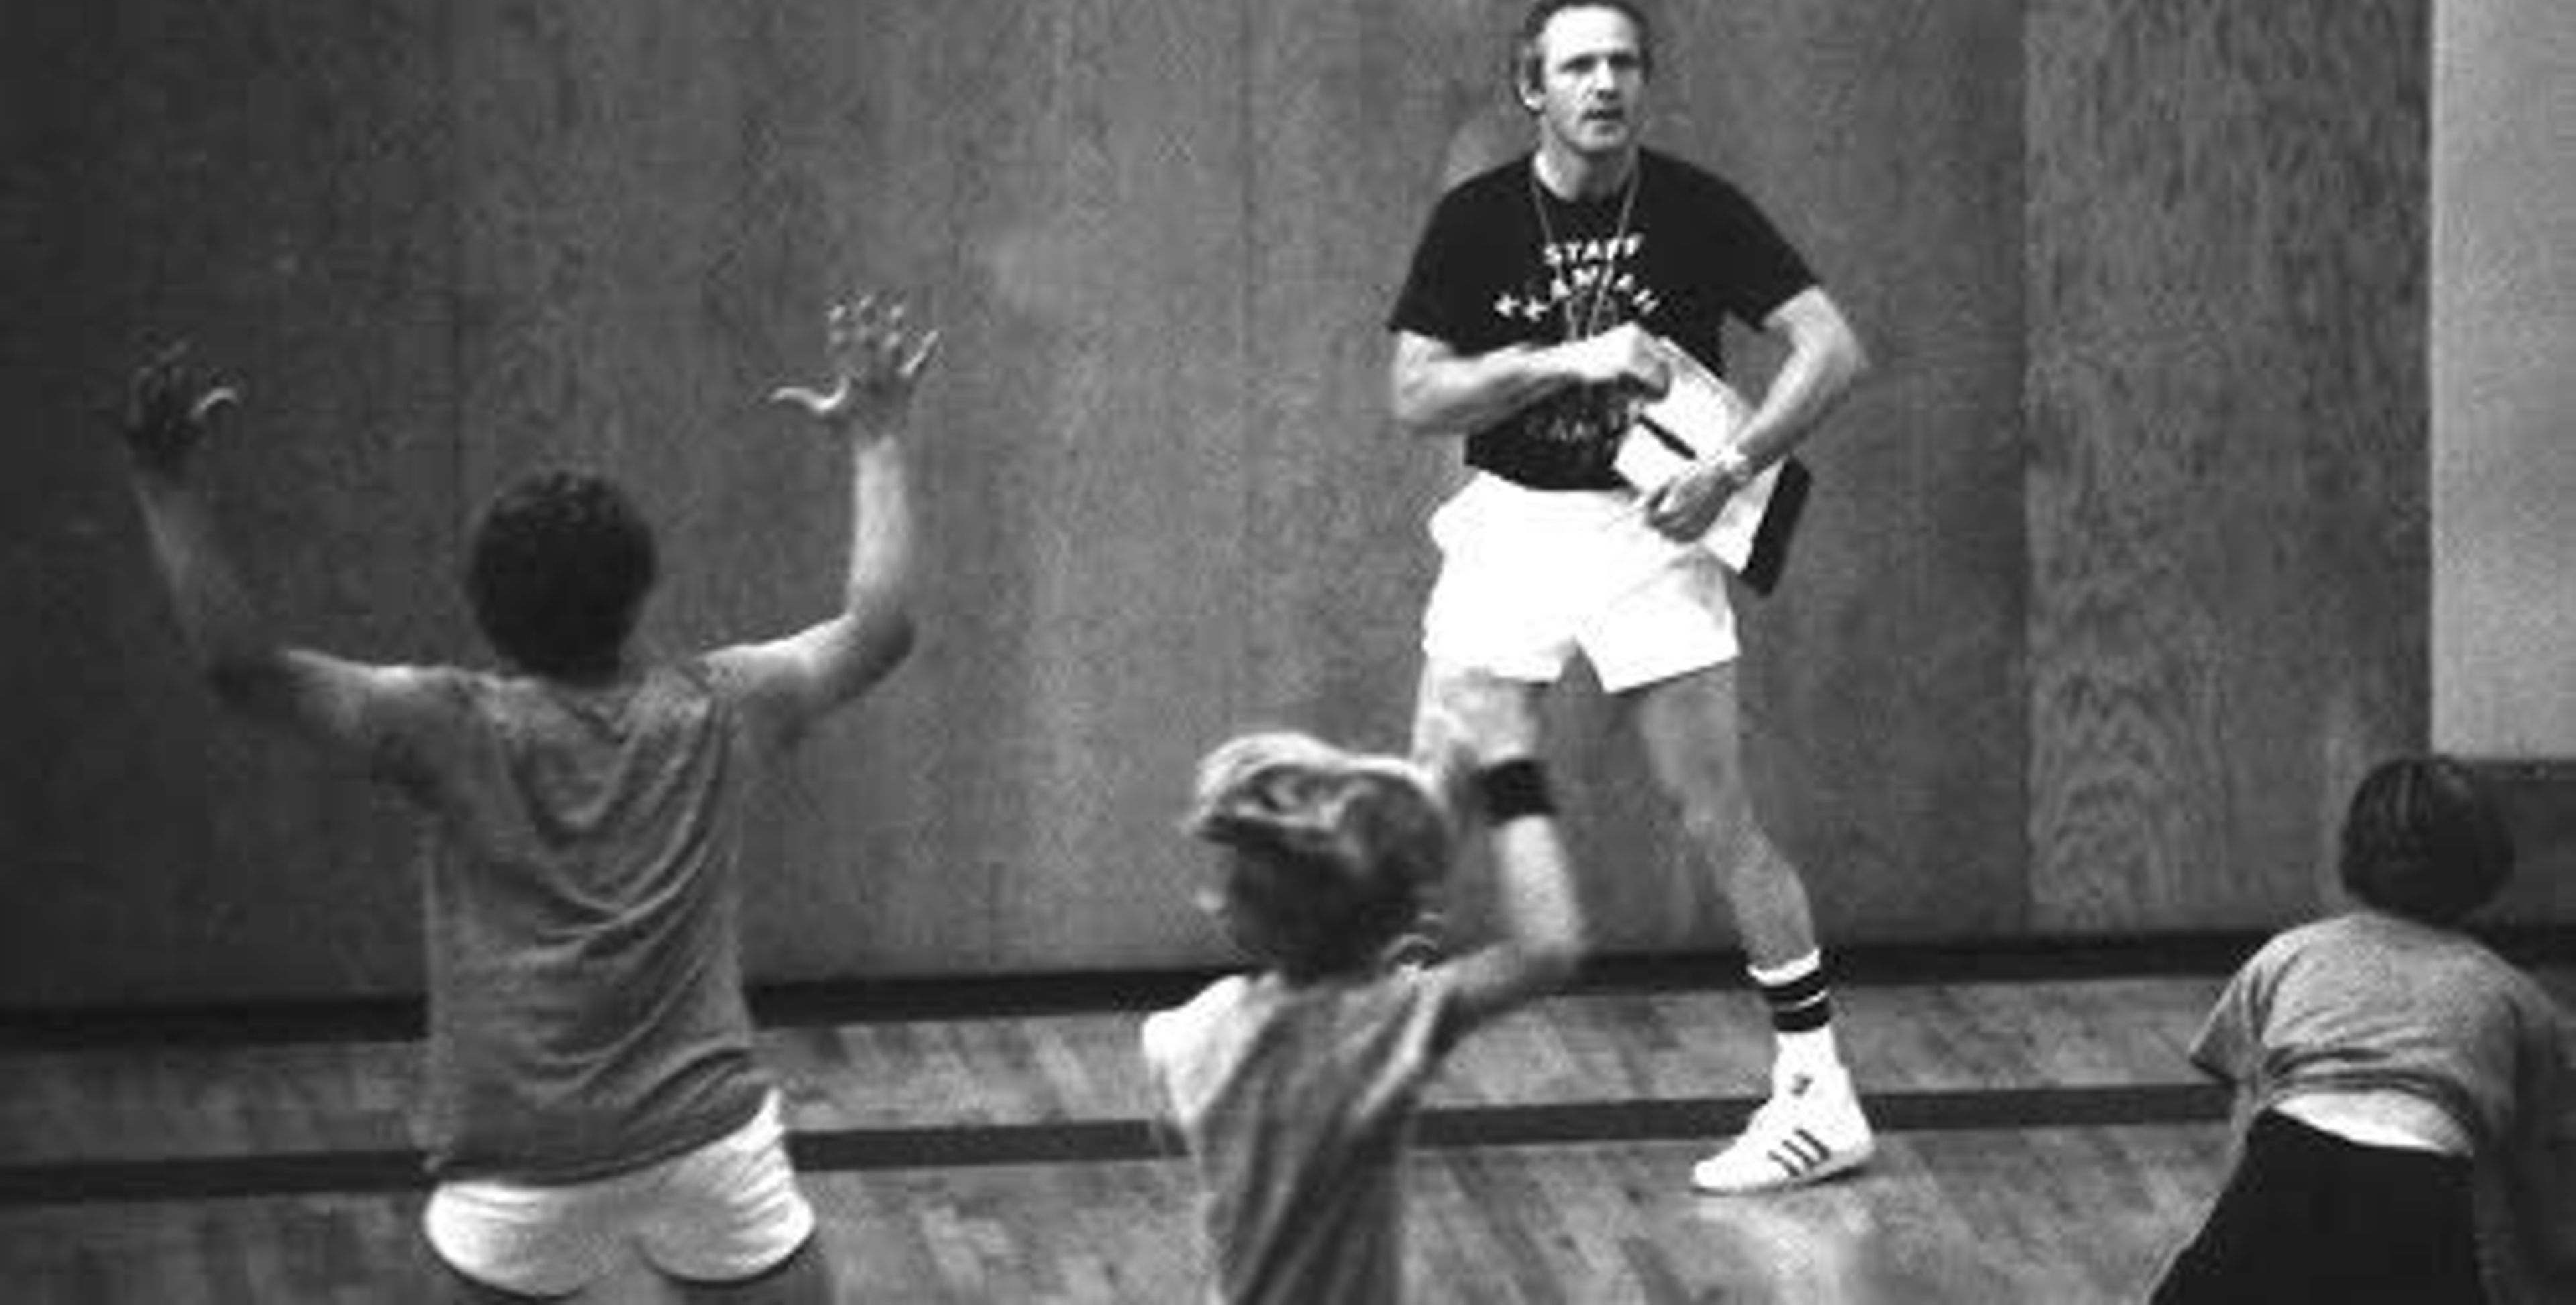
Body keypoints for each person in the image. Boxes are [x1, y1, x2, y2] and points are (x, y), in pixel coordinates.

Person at [121, 294, 939, 1302]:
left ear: (486, 612)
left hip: (521, 1165)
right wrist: (879, 436)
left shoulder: (442, 723)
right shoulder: (721, 706)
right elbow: (880, 627)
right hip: (708, 1140)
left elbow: (242, 668)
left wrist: (164, 486)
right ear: (642, 590)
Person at [1385, 0, 1873, 1193]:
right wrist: (1567, 358)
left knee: (1717, 814)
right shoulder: (1478, 219)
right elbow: (1415, 397)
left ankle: (1820, 1093)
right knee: (1421, 804)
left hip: (1653, 535)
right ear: (1529, 89)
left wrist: (1731, 466)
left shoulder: (1699, 209)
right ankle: (1369, 1067)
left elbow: (1834, 349)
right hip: (1511, 530)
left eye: (1624, 65)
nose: (1605, 86)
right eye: (1579, 67)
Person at [1141, 728, 1585, 1304]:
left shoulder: (1191, 1030)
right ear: (1395, 920)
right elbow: (1548, 950)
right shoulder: (1381, 1029)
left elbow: (1173, 1122)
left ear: (1236, 912)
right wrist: (1509, 764)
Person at [2151, 755, 2575, 1304]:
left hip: (2284, 1165)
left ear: (2350, 854)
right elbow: (2529, 1168)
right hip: (2418, 1189)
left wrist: (2227, 1231)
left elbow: (2249, 1112)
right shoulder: (2518, 998)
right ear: (2490, 864)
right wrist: (2553, 1263)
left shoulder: (2288, 954)